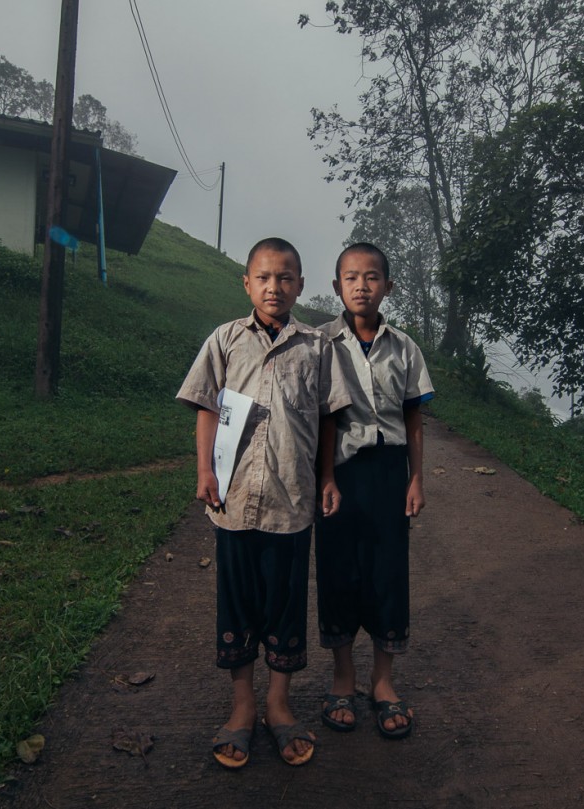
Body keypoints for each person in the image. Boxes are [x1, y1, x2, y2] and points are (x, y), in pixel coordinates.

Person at [176, 237, 351, 768]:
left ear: (300, 285)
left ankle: (278, 704)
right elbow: (206, 406)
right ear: (247, 283)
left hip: (291, 504)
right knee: (238, 602)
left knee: (284, 603)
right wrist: (205, 468)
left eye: (286, 277)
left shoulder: (317, 347)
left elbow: (327, 418)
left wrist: (327, 476)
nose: (275, 287)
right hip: (233, 502)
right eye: (264, 277)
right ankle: (242, 705)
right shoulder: (225, 340)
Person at [315, 242, 434, 740]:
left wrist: (415, 477)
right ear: (337, 285)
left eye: (372, 277)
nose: (361, 285)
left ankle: (382, 683)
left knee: (387, 573)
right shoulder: (321, 343)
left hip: (388, 472)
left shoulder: (403, 346)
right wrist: (323, 478)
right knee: (339, 571)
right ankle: (343, 679)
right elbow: (320, 417)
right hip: (339, 470)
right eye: (351, 277)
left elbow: (414, 417)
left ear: (388, 285)